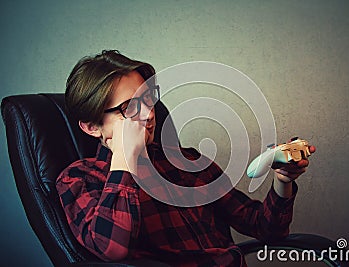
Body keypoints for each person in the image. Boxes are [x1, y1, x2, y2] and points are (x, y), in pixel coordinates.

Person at [56, 50, 315, 267]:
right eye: (129, 108)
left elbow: (266, 229)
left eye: (148, 99)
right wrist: (125, 158)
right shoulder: (79, 178)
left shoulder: (187, 162)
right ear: (92, 127)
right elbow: (113, 250)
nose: (147, 113)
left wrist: (283, 182)